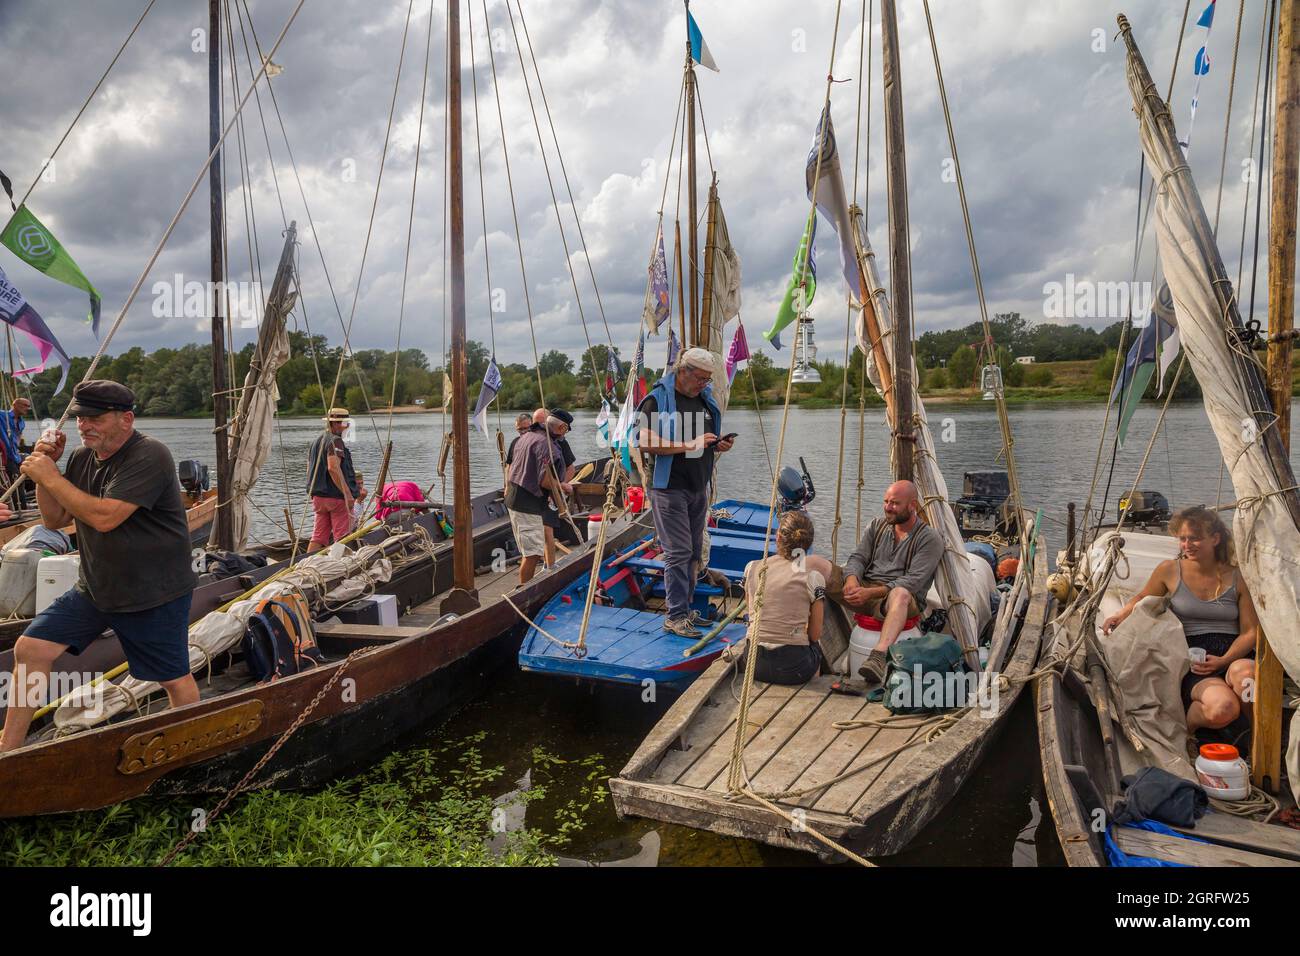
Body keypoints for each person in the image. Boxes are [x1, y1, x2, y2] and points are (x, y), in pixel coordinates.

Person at [1, 380, 198, 752]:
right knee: (30, 649)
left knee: (172, 679)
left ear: (126, 419)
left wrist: (51, 476)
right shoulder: (79, 458)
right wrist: (50, 473)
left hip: (152, 593)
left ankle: (186, 750)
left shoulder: (151, 455)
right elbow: (55, 519)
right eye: (79, 418)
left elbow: (105, 518)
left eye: (95, 418)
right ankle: (9, 749)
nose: (84, 425)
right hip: (95, 589)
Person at [1102, 506, 1258, 733]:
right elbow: (1144, 597)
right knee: (1223, 708)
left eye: (1194, 539)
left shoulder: (1238, 577)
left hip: (1234, 654)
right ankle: (1190, 731)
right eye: (1182, 539)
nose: (1187, 545)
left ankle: (1256, 737)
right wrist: (1119, 615)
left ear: (1215, 539)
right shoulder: (1170, 570)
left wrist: (1224, 660)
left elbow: (1250, 632)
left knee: (1247, 679)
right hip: (1193, 657)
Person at [637, 348, 734, 638]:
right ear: (684, 371)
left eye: (708, 380)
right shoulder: (657, 400)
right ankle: (675, 616)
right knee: (677, 553)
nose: (704, 384)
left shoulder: (703, 400)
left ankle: (686, 609)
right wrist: (690, 444)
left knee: (693, 553)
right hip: (668, 488)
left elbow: (698, 444)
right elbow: (643, 440)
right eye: (701, 379)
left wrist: (716, 445)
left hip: (697, 487)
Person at [832, 480, 943, 686]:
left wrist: (870, 593)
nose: (888, 507)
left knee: (900, 593)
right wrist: (851, 579)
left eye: (894, 503)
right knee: (816, 565)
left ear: (912, 505)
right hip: (864, 591)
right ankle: (798, 646)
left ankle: (878, 657)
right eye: (886, 501)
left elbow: (912, 581)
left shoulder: (930, 538)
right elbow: (858, 557)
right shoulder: (877, 525)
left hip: (901, 601)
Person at [741, 511, 827, 685]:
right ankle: (813, 691)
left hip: (753, 663)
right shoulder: (813, 577)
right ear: (808, 542)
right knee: (815, 648)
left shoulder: (752, 568)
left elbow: (751, 613)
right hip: (793, 669)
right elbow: (815, 633)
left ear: (778, 537)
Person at [505, 407, 571, 585]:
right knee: (533, 554)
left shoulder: (526, 436)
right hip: (527, 504)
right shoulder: (548, 446)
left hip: (514, 498)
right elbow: (545, 481)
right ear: (562, 428)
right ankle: (524, 591)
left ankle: (526, 587)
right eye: (566, 430)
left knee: (532, 549)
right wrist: (563, 486)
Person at [307, 407, 367, 553]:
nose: (347, 427)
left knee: (318, 536)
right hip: (336, 498)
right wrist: (347, 494)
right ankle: (341, 567)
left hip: (319, 497)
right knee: (343, 536)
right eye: (345, 423)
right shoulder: (336, 441)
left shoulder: (316, 441)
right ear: (335, 424)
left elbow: (309, 468)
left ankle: (304, 565)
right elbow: (333, 467)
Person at [0, 396, 32, 510]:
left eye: (29, 406)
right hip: (5, 457)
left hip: (15, 456)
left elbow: (17, 438)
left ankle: (21, 507)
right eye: (25, 405)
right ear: (15, 405)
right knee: (15, 482)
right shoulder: (3, 416)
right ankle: (20, 509)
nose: (28, 408)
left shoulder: (22, 422)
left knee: (21, 480)